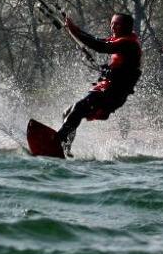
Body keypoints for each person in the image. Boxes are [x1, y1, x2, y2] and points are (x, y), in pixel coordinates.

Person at [57, 12, 142, 156]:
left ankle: (58, 139)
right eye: (112, 23)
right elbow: (96, 40)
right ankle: (65, 148)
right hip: (106, 90)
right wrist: (75, 29)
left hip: (113, 93)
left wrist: (74, 30)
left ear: (127, 27)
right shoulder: (120, 40)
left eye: (117, 24)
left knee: (77, 109)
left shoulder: (128, 44)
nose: (113, 27)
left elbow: (100, 46)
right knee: (68, 112)